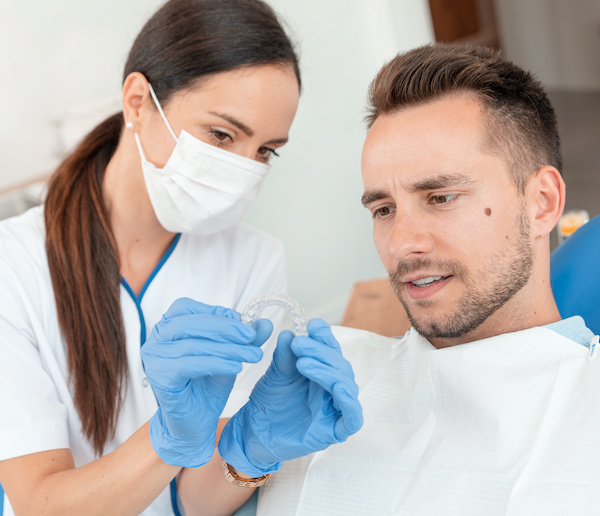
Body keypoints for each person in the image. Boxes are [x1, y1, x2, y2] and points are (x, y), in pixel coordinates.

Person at [251, 43, 600, 515]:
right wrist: (242, 455)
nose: (400, 245)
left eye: (440, 197)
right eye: (384, 209)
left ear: (541, 203)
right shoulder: (329, 382)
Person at [0, 0, 319, 514]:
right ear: (137, 102)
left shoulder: (254, 259)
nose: (244, 171)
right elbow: (40, 502)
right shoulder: (11, 267)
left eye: (266, 150)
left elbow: (195, 502)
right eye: (221, 134)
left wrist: (256, 448)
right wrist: (167, 436)